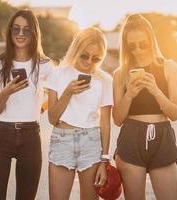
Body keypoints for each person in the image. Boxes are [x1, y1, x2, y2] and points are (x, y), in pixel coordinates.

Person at [0, 9, 54, 200]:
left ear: (34, 33)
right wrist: (7, 92)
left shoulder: (45, 65)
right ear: (9, 32)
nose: (20, 34)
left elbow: (55, 96)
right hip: (1, 136)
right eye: (16, 29)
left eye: (26, 30)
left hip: (30, 136)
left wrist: (39, 107)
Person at [113, 14, 177, 200]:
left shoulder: (169, 67)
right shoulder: (120, 73)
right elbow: (117, 120)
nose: (138, 50)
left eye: (143, 44)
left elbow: (174, 113)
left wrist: (156, 91)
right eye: (132, 45)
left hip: (162, 137)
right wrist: (130, 95)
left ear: (151, 40)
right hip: (131, 139)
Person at [45, 27, 113, 200]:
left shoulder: (104, 80)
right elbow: (52, 118)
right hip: (62, 140)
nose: (89, 61)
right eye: (84, 55)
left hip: (91, 142)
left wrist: (104, 161)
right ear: (76, 49)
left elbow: (105, 123)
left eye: (96, 58)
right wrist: (68, 93)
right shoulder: (58, 73)